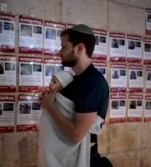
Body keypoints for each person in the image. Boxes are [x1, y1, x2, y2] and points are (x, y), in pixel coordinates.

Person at [39, 24, 112, 167]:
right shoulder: (77, 80)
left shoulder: (93, 83)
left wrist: (50, 106)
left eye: (64, 47)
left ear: (79, 48)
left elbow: (76, 135)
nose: (60, 52)